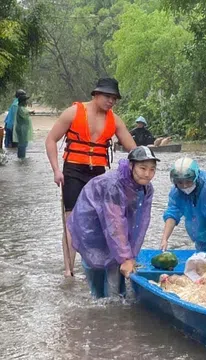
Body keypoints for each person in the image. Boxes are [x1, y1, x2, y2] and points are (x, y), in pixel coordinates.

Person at [45, 78, 137, 277]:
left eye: (114, 98)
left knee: (98, 221)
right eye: (107, 96)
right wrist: (56, 170)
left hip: (97, 174)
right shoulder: (73, 112)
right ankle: (68, 270)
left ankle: (95, 267)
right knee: (70, 221)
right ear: (95, 94)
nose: (111, 101)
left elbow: (133, 149)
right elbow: (51, 139)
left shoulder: (115, 120)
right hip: (73, 171)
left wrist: (143, 168)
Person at [67, 146, 159, 298]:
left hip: (115, 222)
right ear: (131, 166)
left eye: (152, 170)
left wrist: (131, 256)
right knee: (98, 268)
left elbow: (141, 222)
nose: (147, 174)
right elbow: (114, 223)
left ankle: (114, 303)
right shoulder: (114, 185)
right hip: (91, 222)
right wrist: (124, 257)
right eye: (143, 168)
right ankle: (101, 304)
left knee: (117, 274)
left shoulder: (146, 188)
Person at [13, 91, 33, 159]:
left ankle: (22, 157)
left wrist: (30, 112)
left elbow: (25, 113)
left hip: (23, 128)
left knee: (23, 143)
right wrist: (30, 112)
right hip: (21, 128)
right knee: (22, 143)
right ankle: (21, 158)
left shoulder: (22, 108)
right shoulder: (20, 108)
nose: (26, 102)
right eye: (25, 100)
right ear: (22, 101)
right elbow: (24, 115)